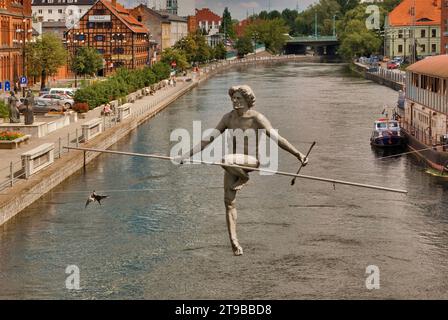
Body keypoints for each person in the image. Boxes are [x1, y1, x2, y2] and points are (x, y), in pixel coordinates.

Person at [178, 85, 309, 256]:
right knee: (229, 202)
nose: (235, 101)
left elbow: (278, 139)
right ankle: (234, 241)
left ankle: (245, 179)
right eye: (233, 98)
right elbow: (207, 141)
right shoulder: (228, 118)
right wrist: (187, 155)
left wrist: (298, 154)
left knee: (224, 159)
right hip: (233, 165)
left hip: (251, 162)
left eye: (239, 98)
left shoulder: (257, 118)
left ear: (248, 100)